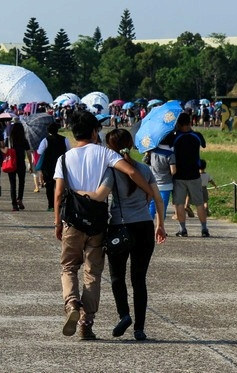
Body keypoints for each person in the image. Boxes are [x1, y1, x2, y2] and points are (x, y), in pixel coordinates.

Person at [53, 110, 154, 341]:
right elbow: (130, 171)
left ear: (73, 133)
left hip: (72, 222)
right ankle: (86, 324)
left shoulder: (64, 158)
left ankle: (71, 306)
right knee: (93, 273)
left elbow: (58, 194)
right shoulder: (105, 154)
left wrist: (57, 223)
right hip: (97, 223)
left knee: (69, 267)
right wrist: (150, 192)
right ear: (94, 131)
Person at [100, 129, 166, 341]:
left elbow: (101, 195)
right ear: (130, 144)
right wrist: (160, 225)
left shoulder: (111, 171)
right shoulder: (144, 170)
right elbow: (158, 198)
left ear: (110, 148)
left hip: (120, 227)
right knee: (139, 279)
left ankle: (124, 315)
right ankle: (139, 328)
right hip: (144, 227)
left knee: (117, 277)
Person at [170, 112, 209, 237]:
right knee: (199, 203)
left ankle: (183, 229)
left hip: (179, 175)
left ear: (179, 124)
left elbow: (169, 146)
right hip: (194, 174)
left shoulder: (175, 137)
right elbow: (203, 144)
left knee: (179, 203)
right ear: (190, 122)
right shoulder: (197, 136)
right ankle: (204, 229)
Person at [37, 123, 71, 211]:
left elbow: (39, 152)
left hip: (48, 166)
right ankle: (61, 205)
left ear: (48, 131)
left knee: (49, 186)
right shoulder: (64, 139)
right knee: (61, 186)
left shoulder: (45, 140)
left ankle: (51, 205)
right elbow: (69, 150)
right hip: (61, 165)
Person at [143, 133, 173, 220]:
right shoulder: (170, 154)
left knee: (151, 206)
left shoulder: (152, 151)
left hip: (152, 182)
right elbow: (173, 171)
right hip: (166, 183)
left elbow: (145, 161)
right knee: (162, 207)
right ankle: (160, 227)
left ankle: (150, 226)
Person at [6, 122, 32, 211]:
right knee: (21, 183)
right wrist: (31, 165)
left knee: (12, 184)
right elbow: (28, 153)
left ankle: (14, 205)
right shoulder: (24, 140)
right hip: (21, 163)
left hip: (11, 164)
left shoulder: (9, 140)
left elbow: (5, 150)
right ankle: (19, 199)